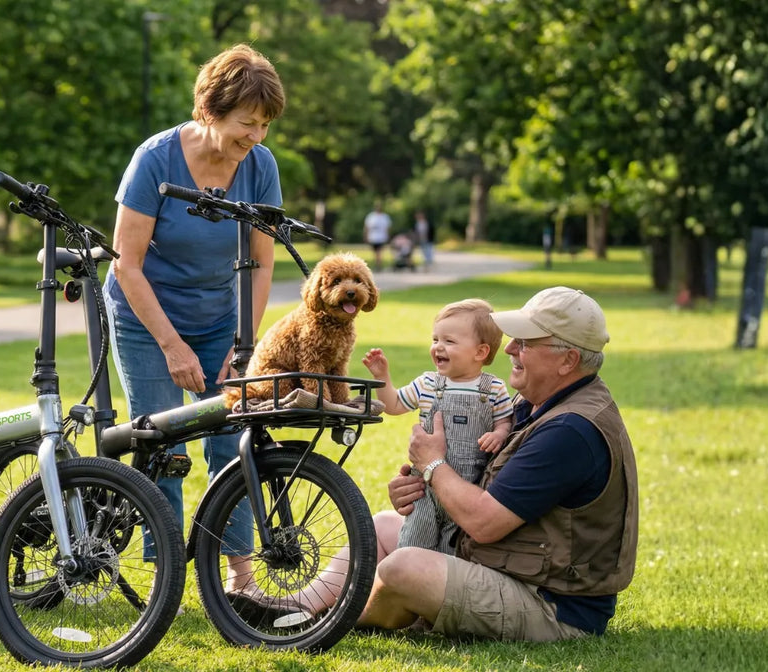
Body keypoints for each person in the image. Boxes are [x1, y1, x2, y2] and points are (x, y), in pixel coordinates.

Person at [255, 286, 637, 642]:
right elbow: (485, 484)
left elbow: (485, 523)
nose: (509, 350)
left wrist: (434, 465)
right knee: (383, 526)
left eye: (525, 343)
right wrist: (418, 482)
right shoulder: (540, 406)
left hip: (551, 605)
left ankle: (327, 620)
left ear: (568, 360)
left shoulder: (570, 430)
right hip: (507, 565)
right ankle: (295, 603)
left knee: (403, 568)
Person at [103, 43, 284, 594]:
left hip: (218, 317)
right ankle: (167, 581)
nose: (254, 137)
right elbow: (127, 265)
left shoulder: (260, 166)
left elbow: (261, 261)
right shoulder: (156, 159)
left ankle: (239, 577)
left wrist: (244, 344)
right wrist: (171, 346)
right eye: (245, 123)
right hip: (145, 316)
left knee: (234, 436)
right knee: (164, 442)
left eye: (264, 126)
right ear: (210, 111)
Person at [361, 298, 513, 554]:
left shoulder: (493, 388)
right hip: (425, 488)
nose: (438, 347)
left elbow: (505, 420)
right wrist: (382, 378)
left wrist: (498, 434)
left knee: (452, 549)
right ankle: (406, 576)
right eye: (435, 340)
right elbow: (395, 404)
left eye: (449, 341)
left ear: (480, 352)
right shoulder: (428, 383)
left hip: (469, 488)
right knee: (413, 544)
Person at [364, 199, 392, 270]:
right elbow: (367, 227)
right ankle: (378, 264)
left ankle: (378, 265)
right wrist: (366, 236)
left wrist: (388, 236)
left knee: (379, 252)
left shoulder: (385, 217)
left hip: (381, 237)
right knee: (375, 252)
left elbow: (387, 228)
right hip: (373, 237)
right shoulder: (371, 216)